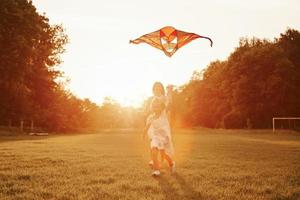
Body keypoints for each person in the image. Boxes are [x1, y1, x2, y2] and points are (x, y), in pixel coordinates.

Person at [144, 98, 175, 176]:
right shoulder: (151, 117)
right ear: (152, 107)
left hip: (163, 137)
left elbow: (168, 104)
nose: (156, 108)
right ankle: (157, 170)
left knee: (163, 154)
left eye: (157, 106)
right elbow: (147, 126)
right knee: (154, 151)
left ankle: (171, 163)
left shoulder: (163, 114)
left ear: (161, 107)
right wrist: (144, 134)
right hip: (155, 137)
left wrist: (169, 92)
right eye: (154, 106)